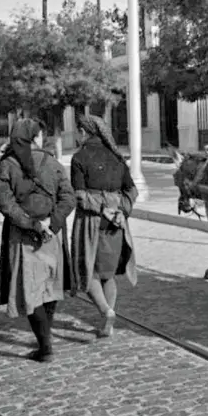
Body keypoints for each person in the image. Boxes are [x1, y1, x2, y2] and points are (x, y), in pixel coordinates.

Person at [0, 118, 76, 362]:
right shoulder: (52, 163)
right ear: (34, 138)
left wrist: (32, 224)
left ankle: (45, 345)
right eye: (39, 135)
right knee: (49, 287)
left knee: (31, 291)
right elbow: (69, 197)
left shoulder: (8, 164)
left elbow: (5, 203)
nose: (42, 139)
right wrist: (52, 222)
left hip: (23, 236)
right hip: (52, 235)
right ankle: (45, 341)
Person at [70, 114, 138, 338]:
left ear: (83, 132)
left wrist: (101, 208)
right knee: (107, 274)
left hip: (91, 223)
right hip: (117, 224)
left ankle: (106, 312)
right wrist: (121, 210)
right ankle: (106, 323)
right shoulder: (117, 157)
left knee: (88, 273)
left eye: (78, 131)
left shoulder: (79, 158)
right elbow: (132, 190)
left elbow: (79, 196)